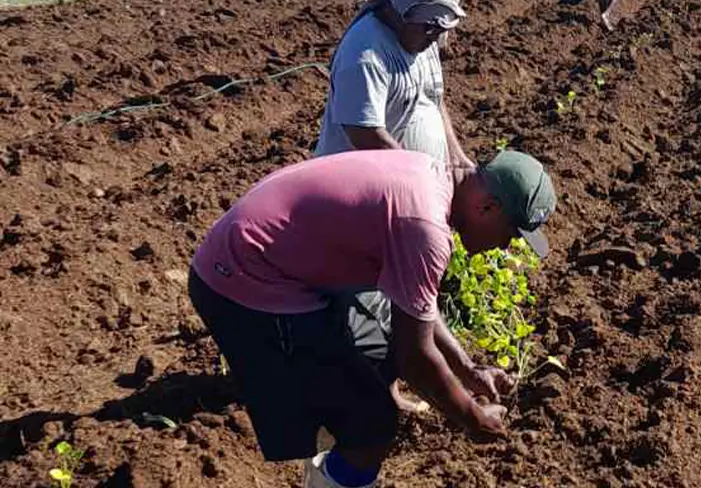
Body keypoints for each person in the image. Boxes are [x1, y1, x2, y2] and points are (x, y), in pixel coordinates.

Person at [188, 148, 557, 488]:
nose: (508, 246)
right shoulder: (425, 226)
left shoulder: (430, 177)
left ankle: (330, 461)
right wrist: (473, 420)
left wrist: (467, 370)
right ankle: (333, 461)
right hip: (244, 279)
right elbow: (416, 358)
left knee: (375, 356)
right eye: (512, 233)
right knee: (372, 426)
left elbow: (417, 311)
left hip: (274, 263)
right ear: (488, 207)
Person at [315, 0, 476, 173]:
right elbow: (365, 135)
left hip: (411, 181)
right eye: (430, 27)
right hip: (364, 186)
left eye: (441, 29)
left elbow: (434, 98)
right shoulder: (366, 56)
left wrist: (456, 158)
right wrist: (417, 177)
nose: (435, 37)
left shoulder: (423, 38)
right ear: (400, 12)